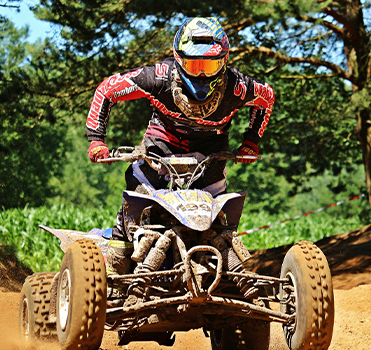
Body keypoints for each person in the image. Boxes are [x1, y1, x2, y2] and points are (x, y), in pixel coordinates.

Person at [85, 17, 275, 275]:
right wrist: (96, 139)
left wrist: (251, 141)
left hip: (211, 150)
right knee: (137, 201)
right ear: (178, 59)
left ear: (225, 62)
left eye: (210, 65)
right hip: (162, 143)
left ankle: (224, 272)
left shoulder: (238, 87)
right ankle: (117, 266)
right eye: (194, 64)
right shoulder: (158, 78)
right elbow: (107, 89)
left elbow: (267, 97)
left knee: (218, 221)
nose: (201, 73)